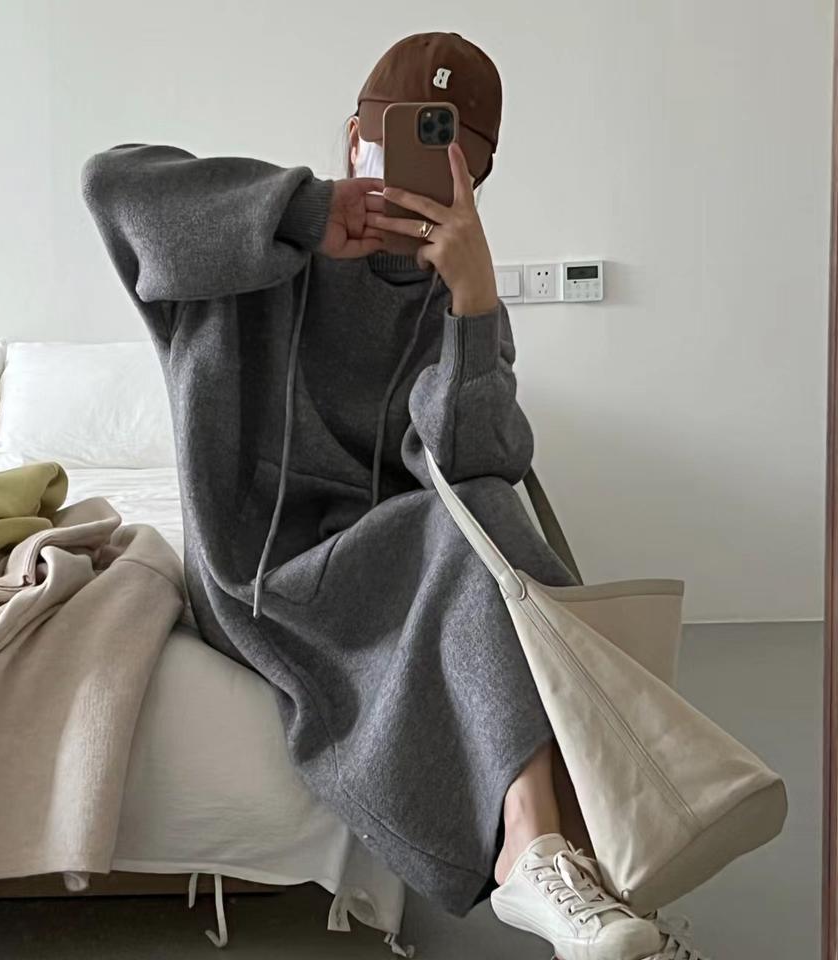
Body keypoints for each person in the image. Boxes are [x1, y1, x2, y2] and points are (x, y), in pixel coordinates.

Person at [81, 30, 709, 960]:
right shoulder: (243, 249)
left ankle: (541, 858)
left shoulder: (453, 293)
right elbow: (111, 181)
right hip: (258, 570)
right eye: (401, 141)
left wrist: (473, 308)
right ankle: (567, 851)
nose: (422, 175)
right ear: (353, 140)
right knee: (473, 543)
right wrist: (307, 211)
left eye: (453, 159)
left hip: (396, 556)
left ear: (477, 179)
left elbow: (476, 467)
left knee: (480, 522)